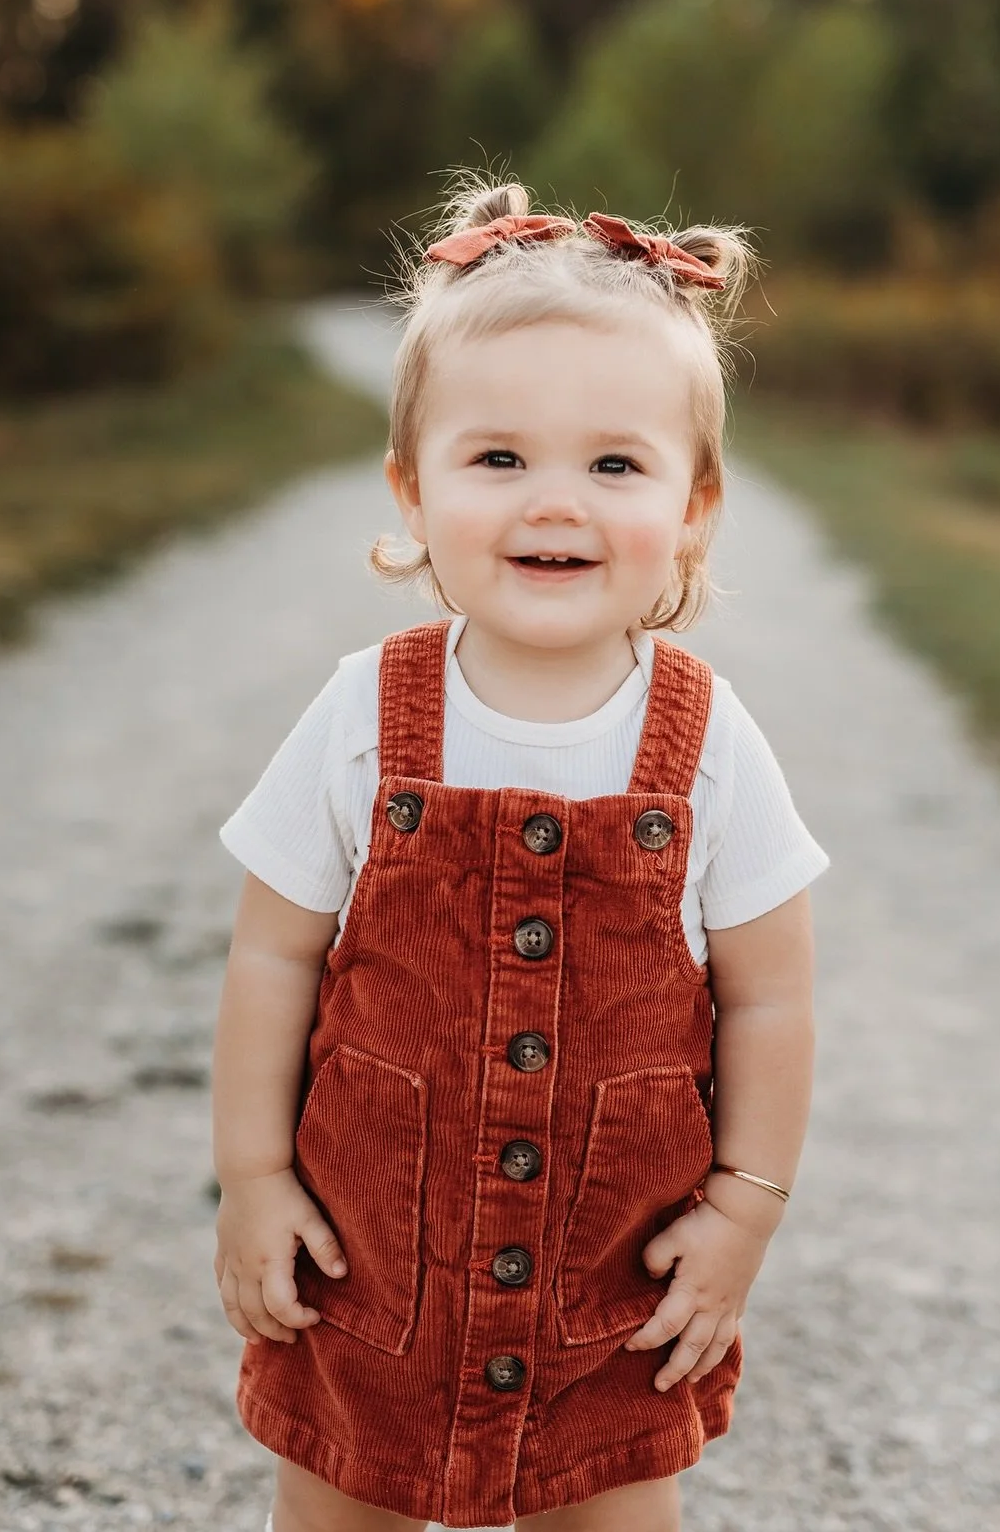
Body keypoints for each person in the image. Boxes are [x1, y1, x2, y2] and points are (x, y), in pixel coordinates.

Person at [210, 178, 829, 1532]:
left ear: (696, 502)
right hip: (368, 1261)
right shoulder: (363, 715)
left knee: (605, 1509)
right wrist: (253, 1179)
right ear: (411, 489)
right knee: (334, 1505)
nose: (557, 502)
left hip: (609, 1282)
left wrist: (746, 1207)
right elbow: (272, 953)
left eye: (615, 465)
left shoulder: (707, 737)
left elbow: (771, 992)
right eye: (498, 460)